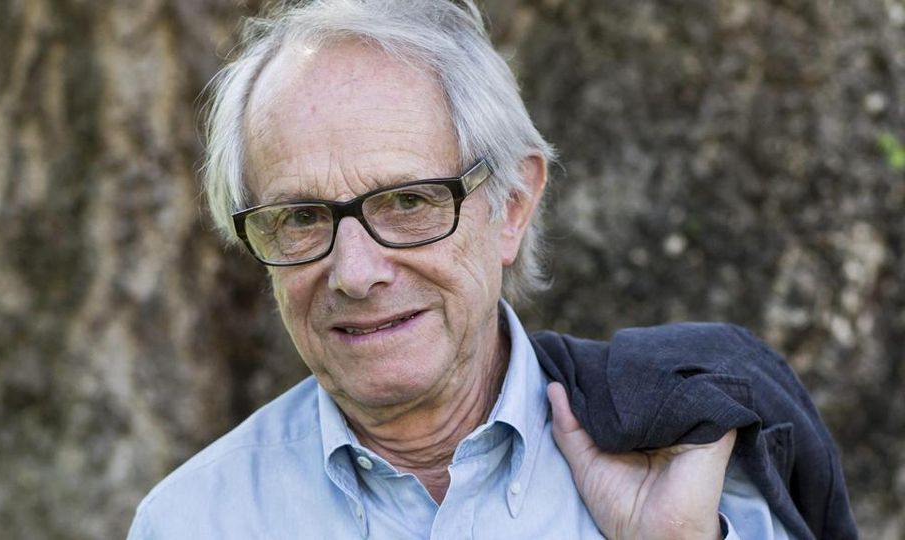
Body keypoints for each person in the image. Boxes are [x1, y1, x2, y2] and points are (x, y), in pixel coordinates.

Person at [127, 1, 820, 538]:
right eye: (302, 216)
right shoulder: (191, 521)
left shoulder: (696, 468)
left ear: (512, 206)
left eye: (408, 201)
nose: (355, 273)